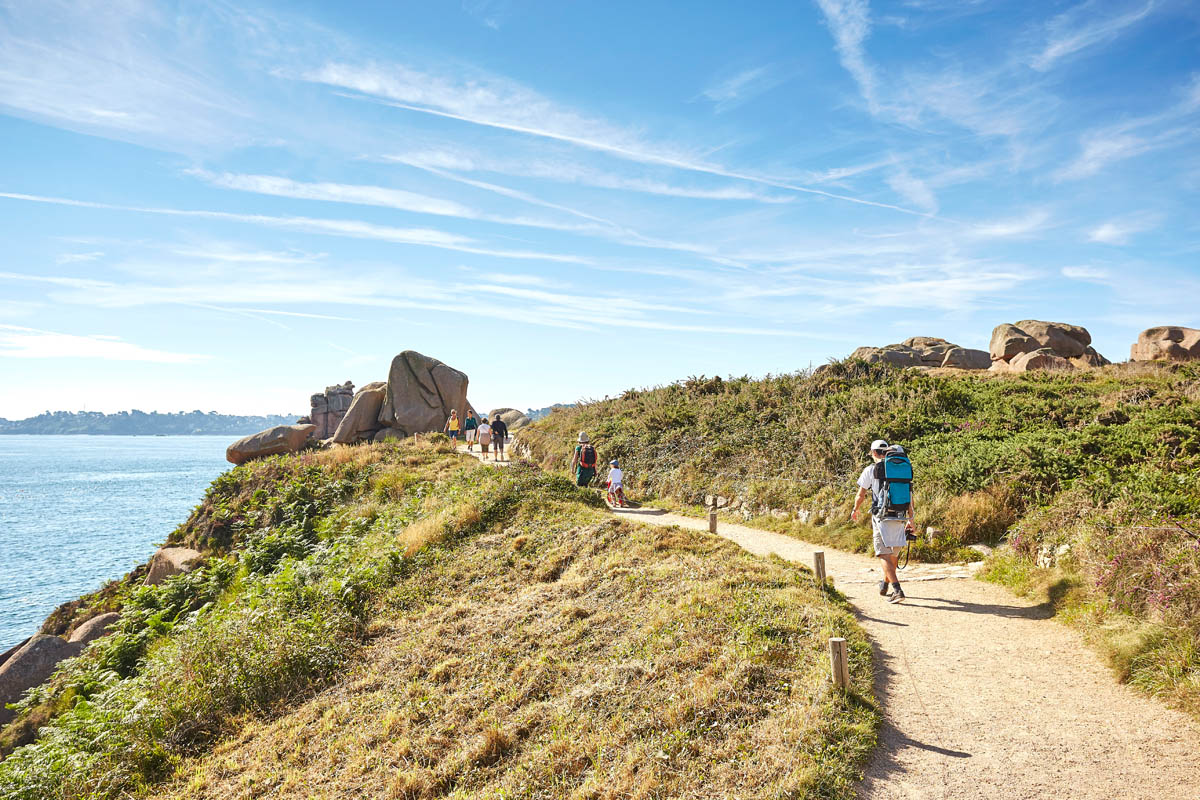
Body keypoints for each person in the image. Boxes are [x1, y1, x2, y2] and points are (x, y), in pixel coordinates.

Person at [851, 438, 914, 603]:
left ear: (873, 453)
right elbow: (909, 494)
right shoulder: (900, 468)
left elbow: (861, 494)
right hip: (900, 515)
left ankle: (897, 589)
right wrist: (911, 519)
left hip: (881, 516)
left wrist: (855, 509)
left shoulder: (871, 469)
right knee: (893, 553)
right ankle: (885, 583)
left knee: (883, 553)